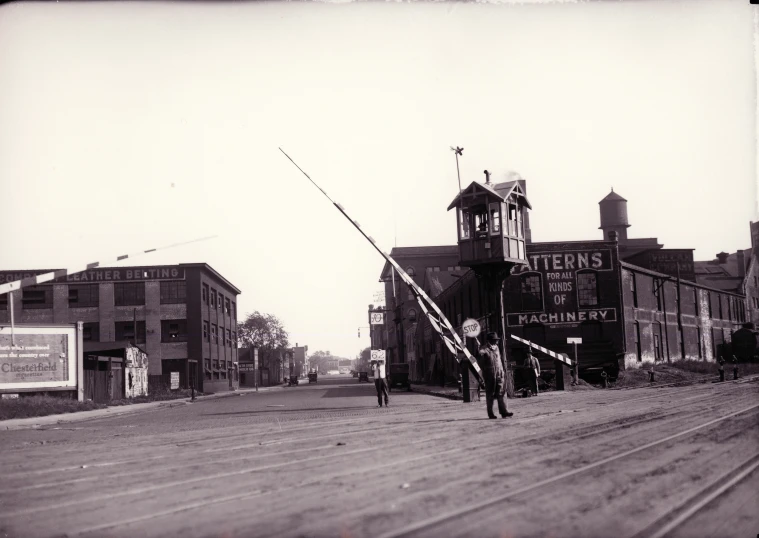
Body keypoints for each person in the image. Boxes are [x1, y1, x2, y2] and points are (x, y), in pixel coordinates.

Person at [478, 332, 513, 419]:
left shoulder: (497, 348)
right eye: (495, 340)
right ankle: (491, 413)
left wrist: (503, 371)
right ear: (491, 341)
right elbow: (480, 363)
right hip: (489, 376)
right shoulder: (484, 349)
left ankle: (504, 412)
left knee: (501, 393)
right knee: (490, 395)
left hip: (499, 375)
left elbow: (500, 361)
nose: (497, 342)